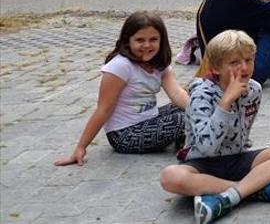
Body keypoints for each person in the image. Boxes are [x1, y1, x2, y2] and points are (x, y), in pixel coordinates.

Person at [159, 30, 270, 224]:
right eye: (234, 62)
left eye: (249, 60)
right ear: (217, 68)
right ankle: (252, 190)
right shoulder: (201, 95)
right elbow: (207, 147)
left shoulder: (254, 89)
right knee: (170, 176)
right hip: (203, 163)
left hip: (237, 158)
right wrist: (225, 103)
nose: (244, 67)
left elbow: (244, 135)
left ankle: (227, 196)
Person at [55, 12, 188, 166]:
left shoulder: (159, 64)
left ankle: (186, 138)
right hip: (125, 134)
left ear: (161, 41)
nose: (147, 45)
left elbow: (178, 94)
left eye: (153, 40)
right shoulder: (120, 66)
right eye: (139, 40)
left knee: (194, 102)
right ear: (127, 41)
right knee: (184, 119)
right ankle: (189, 138)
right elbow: (103, 109)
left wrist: (204, 110)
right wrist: (80, 147)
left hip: (149, 120)